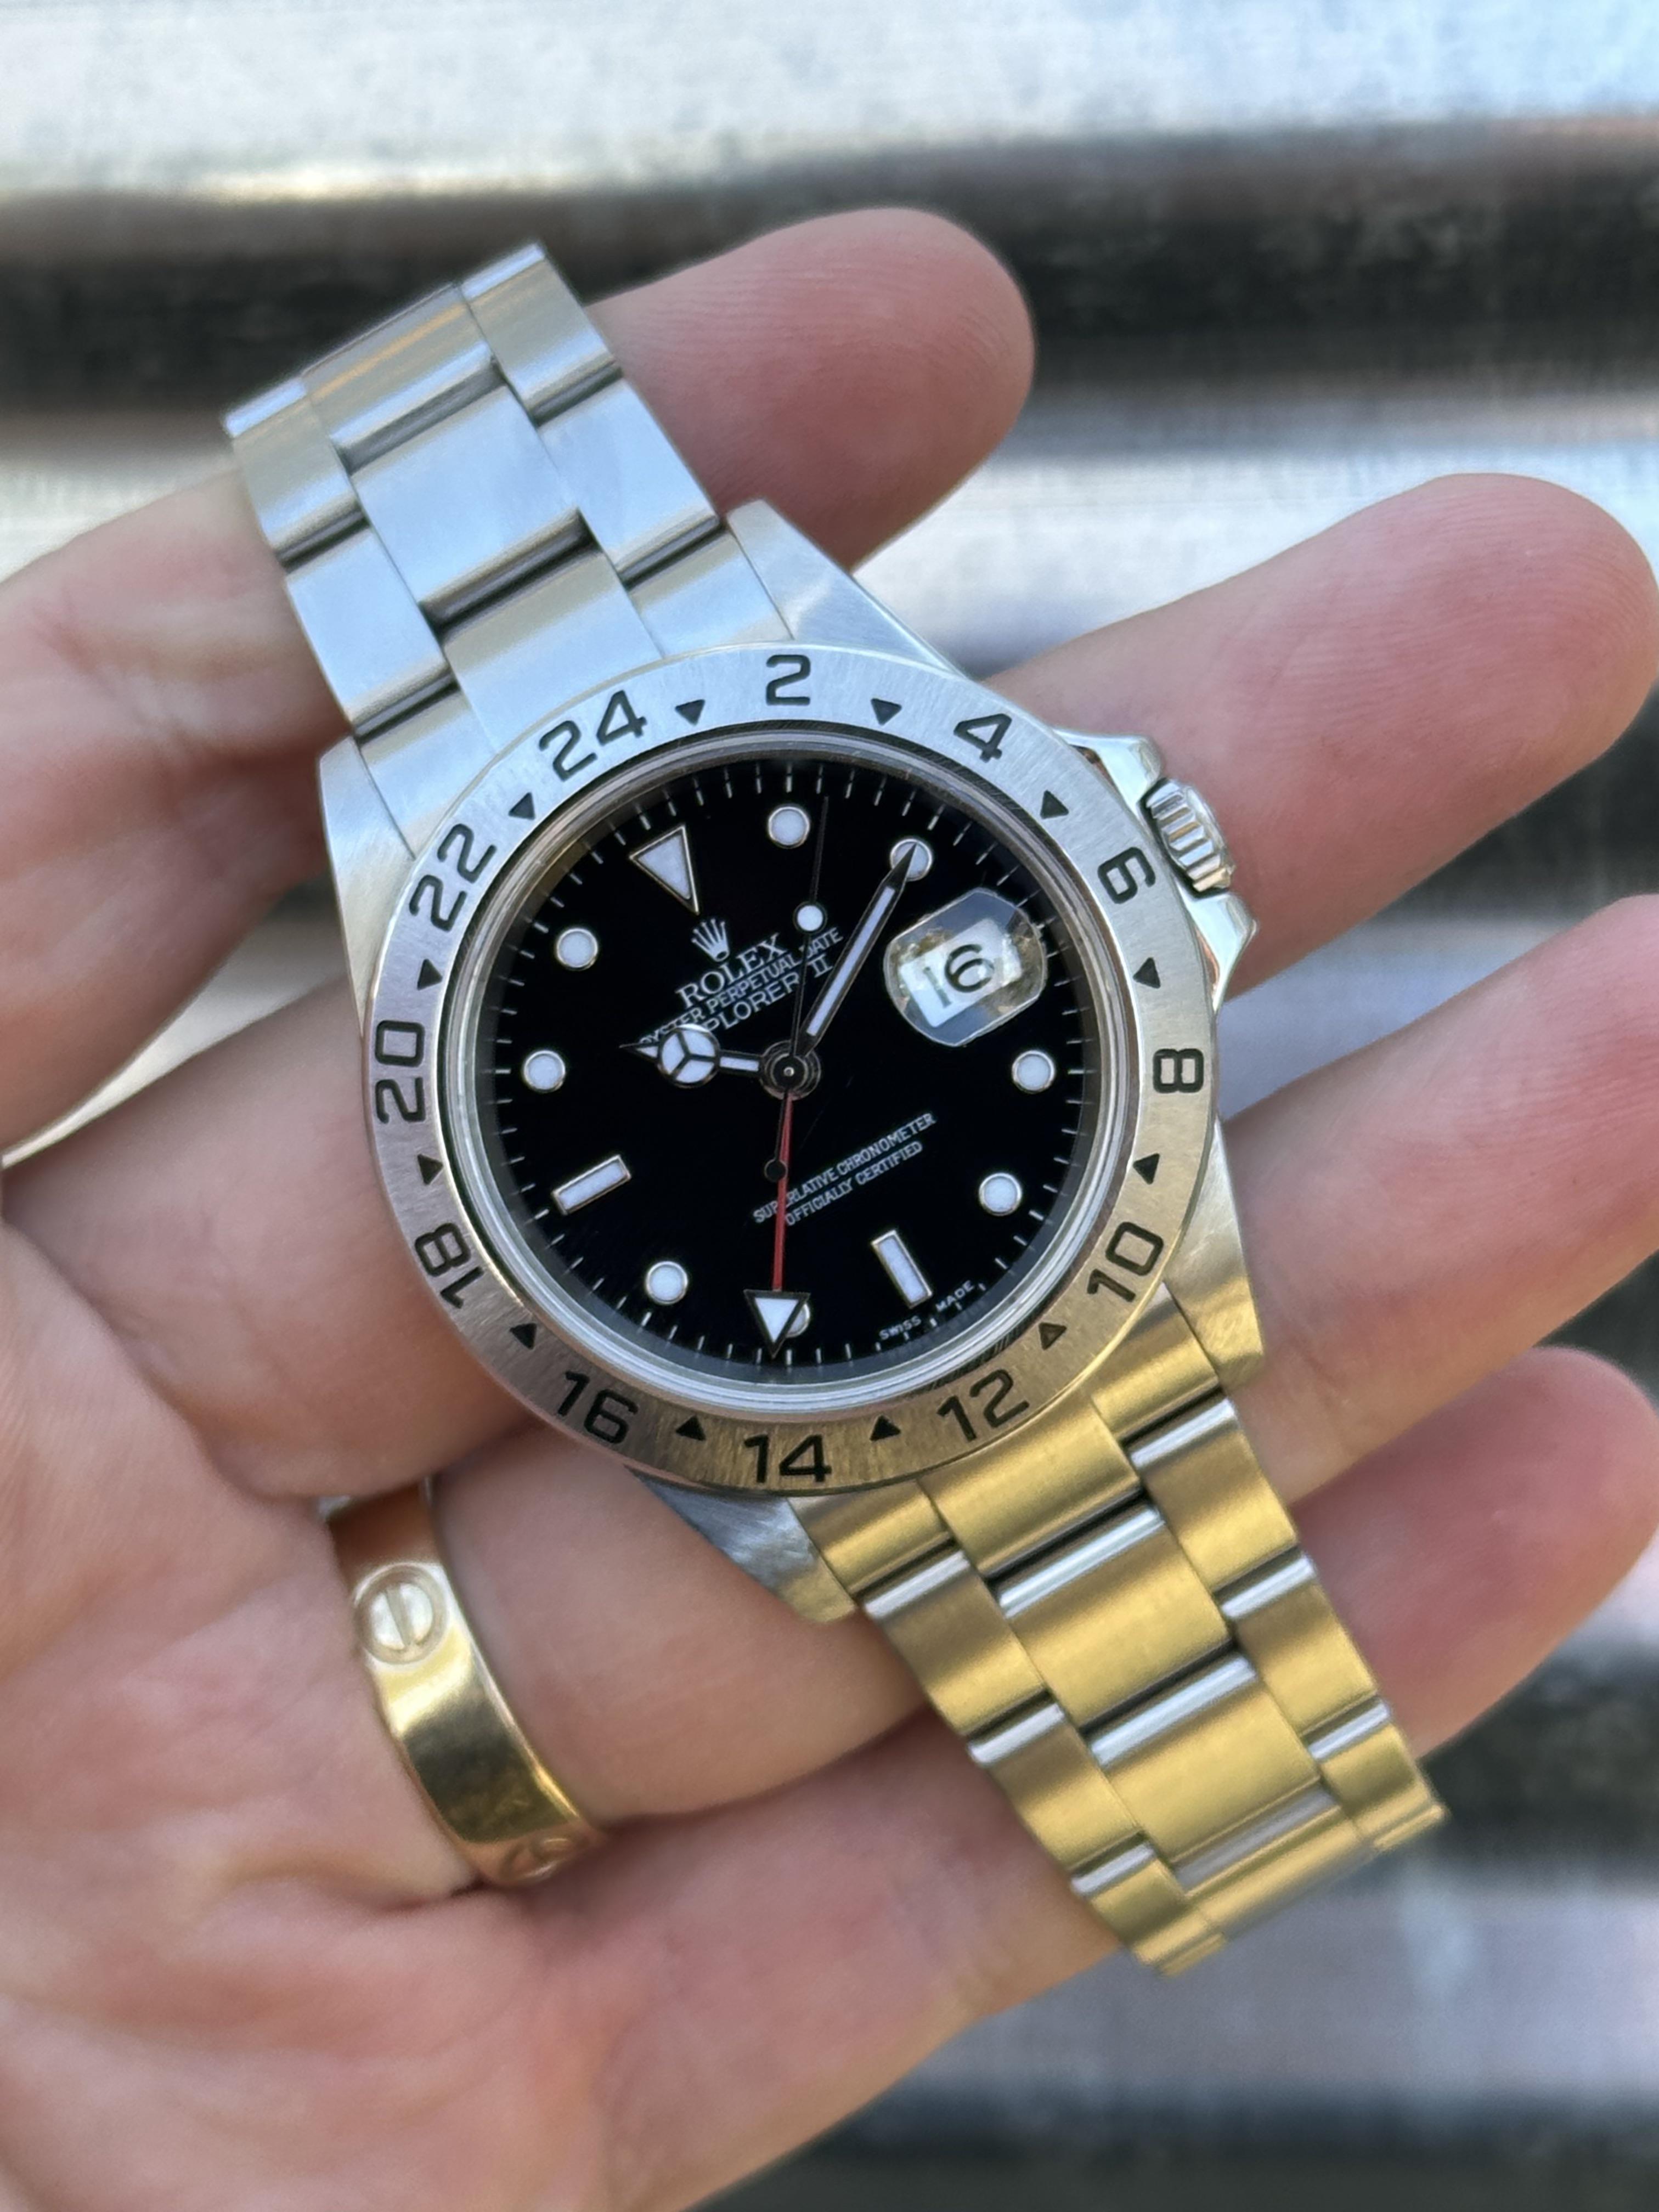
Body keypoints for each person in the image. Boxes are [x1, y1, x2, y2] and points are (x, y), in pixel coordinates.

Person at [0, 207, 1656, 2209]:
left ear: (1155, 868)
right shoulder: (452, 946)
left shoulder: (806, 699)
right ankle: (1216, 1805)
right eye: (758, 1072)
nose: (791, 1077)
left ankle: (1227, 1797)